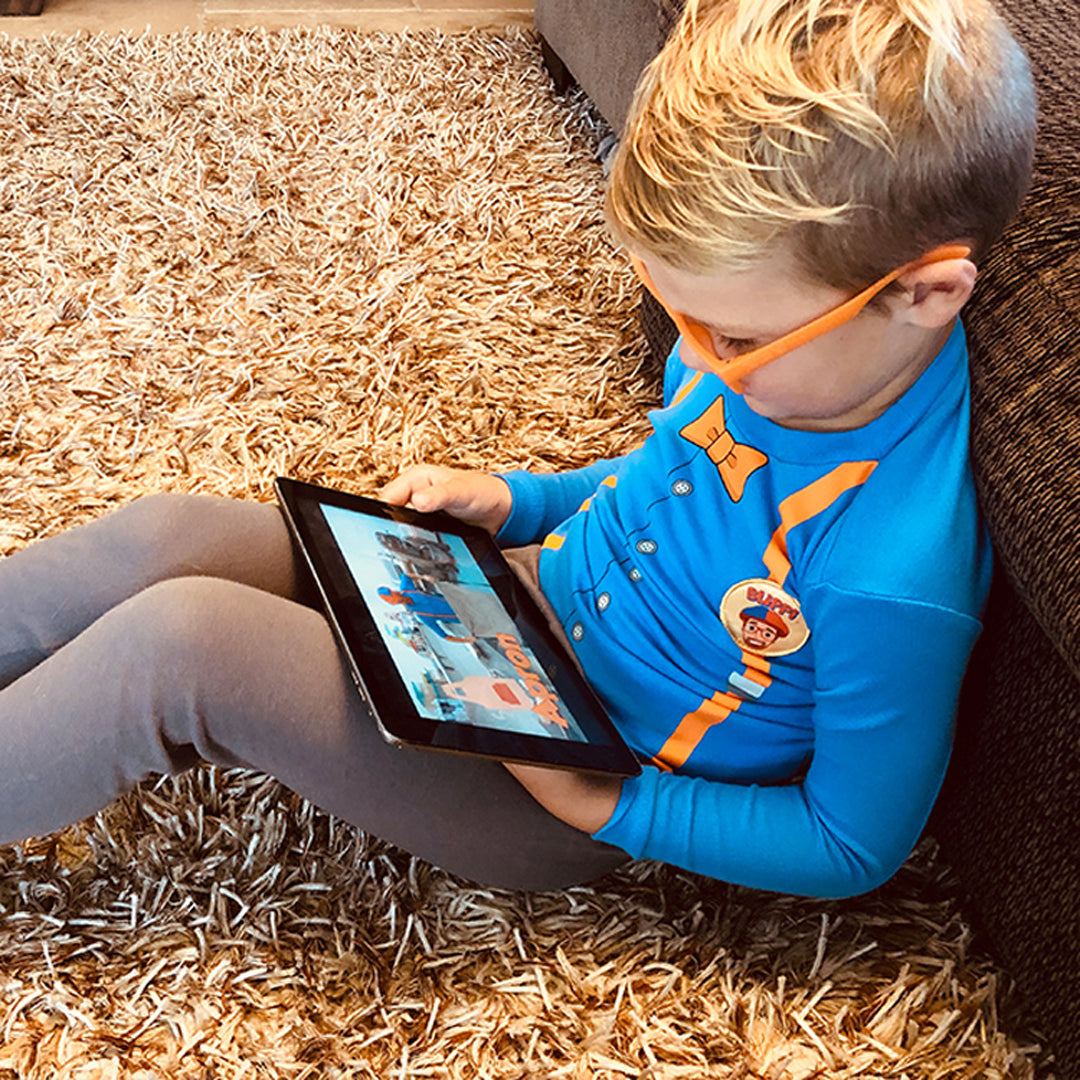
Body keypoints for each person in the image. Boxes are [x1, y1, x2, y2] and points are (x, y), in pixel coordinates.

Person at [0, 0, 1036, 897]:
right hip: (502, 610)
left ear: (925, 294)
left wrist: (603, 804)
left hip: (564, 789)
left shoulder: (890, 573)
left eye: (736, 337)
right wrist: (520, 502)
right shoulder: (771, 360)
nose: (694, 358)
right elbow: (670, 488)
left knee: (189, 646)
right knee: (166, 538)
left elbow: (850, 844)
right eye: (680, 315)